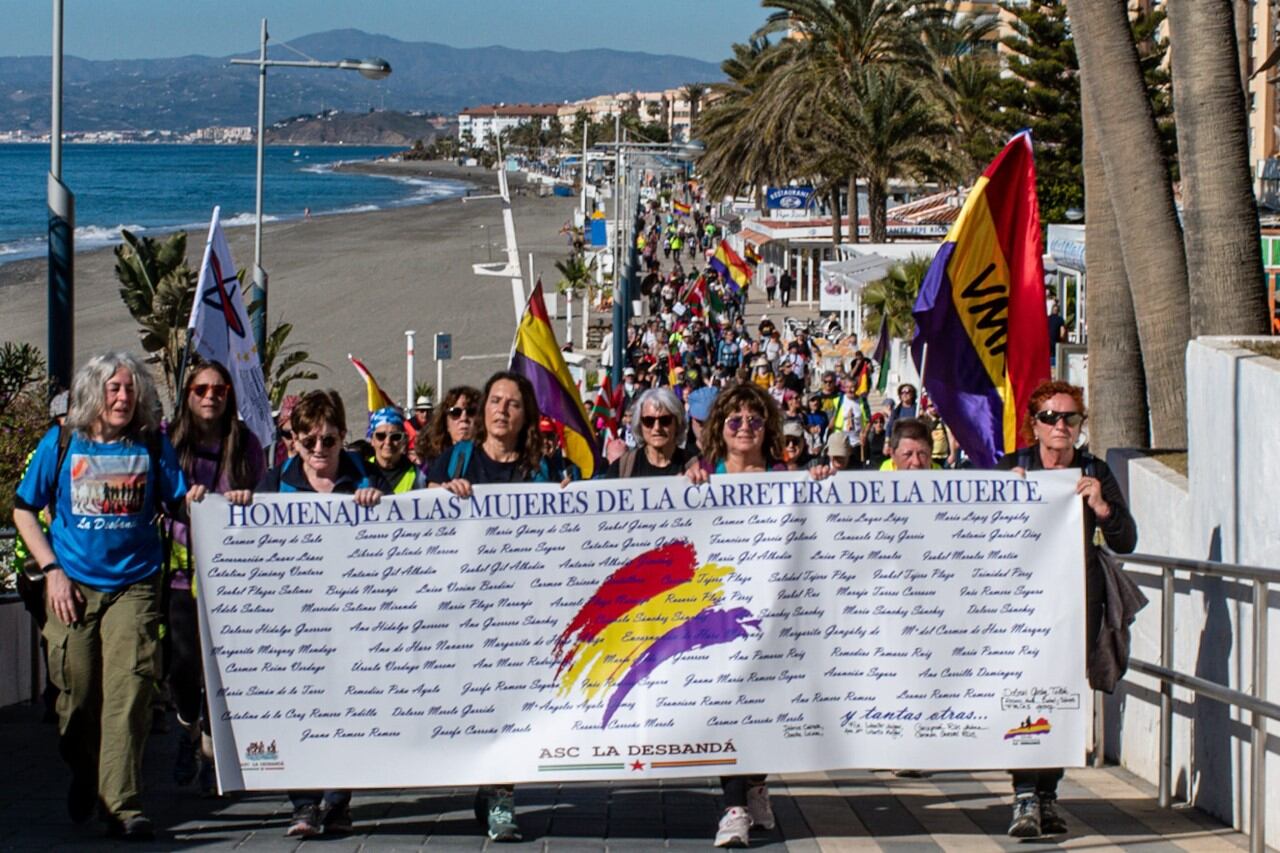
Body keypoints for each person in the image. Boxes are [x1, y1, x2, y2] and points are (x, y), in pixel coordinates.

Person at [13, 351, 208, 840]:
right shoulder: (61, 443)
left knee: (132, 690)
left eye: (129, 389)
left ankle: (123, 803)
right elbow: (22, 510)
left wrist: (202, 502)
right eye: (114, 388)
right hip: (72, 585)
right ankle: (88, 773)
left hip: (136, 584)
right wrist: (52, 571)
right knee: (77, 696)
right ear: (92, 393)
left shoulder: (150, 444)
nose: (123, 397)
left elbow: (178, 502)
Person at [427, 371, 568, 842]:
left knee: (510, 702)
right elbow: (417, 513)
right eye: (495, 401)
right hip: (464, 604)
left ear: (526, 414)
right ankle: (490, 786)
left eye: (512, 403)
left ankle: (502, 795)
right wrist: (439, 496)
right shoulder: (458, 458)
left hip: (520, 606)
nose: (501, 409)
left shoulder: (540, 468)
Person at [998, 381, 1137, 839]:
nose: (1062, 426)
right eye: (1052, 418)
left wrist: (1100, 506)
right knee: (1026, 695)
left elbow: (1126, 540)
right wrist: (1002, 498)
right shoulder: (1011, 467)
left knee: (1062, 699)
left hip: (1078, 602)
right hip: (1021, 605)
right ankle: (1024, 794)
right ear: (1033, 425)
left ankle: (1047, 796)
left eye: (1071, 418)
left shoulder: (1094, 469)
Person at [256, 389, 383, 838]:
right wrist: (233, 505)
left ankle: (339, 798)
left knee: (348, 707)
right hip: (297, 620)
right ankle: (305, 803)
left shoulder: (368, 482)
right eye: (307, 440)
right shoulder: (273, 484)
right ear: (292, 440)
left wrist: (377, 503)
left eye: (328, 441)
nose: (317, 450)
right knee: (299, 708)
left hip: (353, 618)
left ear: (342, 438)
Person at [683, 383, 784, 847]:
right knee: (728, 706)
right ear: (720, 429)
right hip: (722, 614)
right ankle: (735, 806)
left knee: (765, 707)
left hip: (775, 611)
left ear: (768, 429)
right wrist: (690, 489)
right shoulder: (703, 477)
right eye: (736, 420)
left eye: (756, 420)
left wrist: (820, 478)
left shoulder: (786, 477)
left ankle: (758, 785)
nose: (746, 427)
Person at [165, 357, 264, 795]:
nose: (210, 397)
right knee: (184, 666)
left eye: (219, 390)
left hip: (232, 580)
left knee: (224, 670)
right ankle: (189, 724)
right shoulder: (169, 442)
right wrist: (185, 512)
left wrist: (246, 498)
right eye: (201, 389)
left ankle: (212, 743)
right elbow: (157, 501)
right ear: (188, 395)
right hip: (181, 577)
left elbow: (268, 498)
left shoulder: (246, 443)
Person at [605, 388, 692, 478]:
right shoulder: (621, 468)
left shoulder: (695, 465)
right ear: (639, 424)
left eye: (665, 420)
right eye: (649, 421)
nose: (657, 427)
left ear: (677, 423)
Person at [414, 385, 480, 471]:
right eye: (455, 412)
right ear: (446, 422)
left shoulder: (490, 461)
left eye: (471, 411)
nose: (463, 418)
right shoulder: (431, 465)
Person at [364, 406, 428, 493]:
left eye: (395, 436)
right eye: (381, 436)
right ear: (372, 440)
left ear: (404, 440)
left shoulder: (418, 476)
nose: (387, 442)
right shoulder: (360, 471)